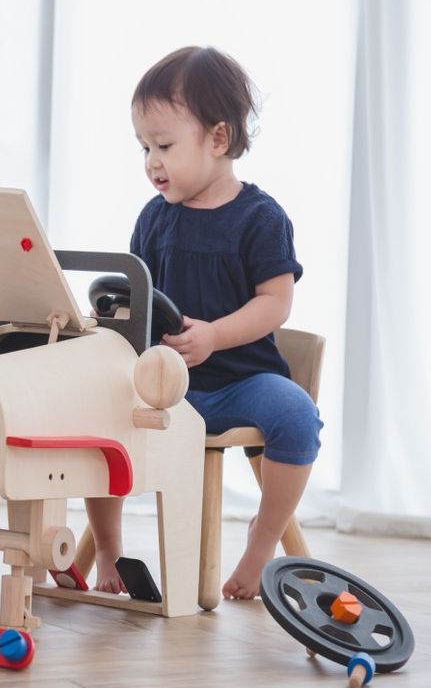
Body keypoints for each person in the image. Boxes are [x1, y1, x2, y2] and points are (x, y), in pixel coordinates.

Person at [86, 46, 323, 599]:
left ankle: (262, 543)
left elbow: (275, 303)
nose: (151, 161)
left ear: (218, 139)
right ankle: (108, 548)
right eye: (144, 147)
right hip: (168, 388)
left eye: (164, 146)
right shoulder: (154, 218)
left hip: (242, 380)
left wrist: (215, 335)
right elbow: (135, 297)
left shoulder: (260, 218)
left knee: (296, 415)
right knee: (94, 411)